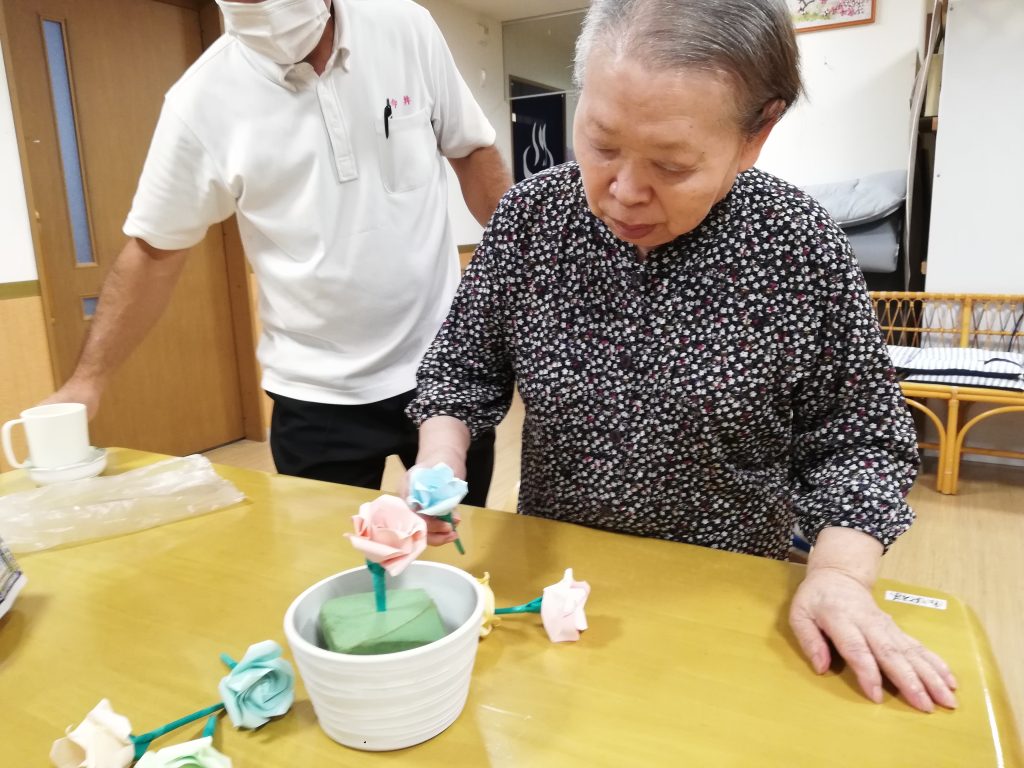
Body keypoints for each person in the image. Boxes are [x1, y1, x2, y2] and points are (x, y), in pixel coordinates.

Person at [406, 0, 957, 712]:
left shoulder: (797, 246)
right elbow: (461, 373)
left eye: (671, 164)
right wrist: (440, 465)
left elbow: (860, 440)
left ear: (757, 133)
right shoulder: (532, 220)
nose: (625, 192)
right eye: (600, 144)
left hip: (727, 597)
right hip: (555, 588)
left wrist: (841, 577)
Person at [45, 0, 512, 503]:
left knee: (458, 543)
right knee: (330, 564)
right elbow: (155, 249)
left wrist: (530, 271)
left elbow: (470, 149)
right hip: (315, 394)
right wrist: (86, 381)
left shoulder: (405, 27)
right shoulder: (200, 100)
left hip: (443, 369)